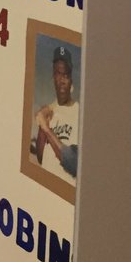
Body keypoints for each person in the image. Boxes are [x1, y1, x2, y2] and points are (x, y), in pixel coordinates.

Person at [32, 45, 80, 178]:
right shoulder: (50, 113)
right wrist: (42, 130)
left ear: (71, 80)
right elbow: (41, 158)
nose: (62, 80)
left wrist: (47, 130)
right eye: (58, 74)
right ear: (53, 78)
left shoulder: (79, 113)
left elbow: (73, 164)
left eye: (66, 75)